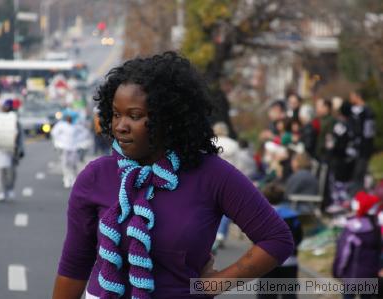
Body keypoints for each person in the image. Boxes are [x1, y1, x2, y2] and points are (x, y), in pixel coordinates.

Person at [52, 52, 294, 299]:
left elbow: (276, 238)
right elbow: (75, 266)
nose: (120, 126)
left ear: (169, 119)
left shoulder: (212, 175)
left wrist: (212, 285)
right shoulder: (95, 176)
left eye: (135, 116)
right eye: (116, 114)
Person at [332, 191, 381, 299]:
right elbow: (378, 251)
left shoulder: (350, 227)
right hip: (370, 275)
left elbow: (343, 252)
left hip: (351, 274)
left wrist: (337, 270)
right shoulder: (375, 228)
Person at [259, 183, 303, 299]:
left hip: (265, 260)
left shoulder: (262, 215)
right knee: (289, 294)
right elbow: (299, 237)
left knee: (266, 294)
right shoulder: (293, 217)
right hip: (290, 260)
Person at [211, 122, 239, 252]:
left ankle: (213, 233)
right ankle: (221, 234)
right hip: (230, 178)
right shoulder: (234, 144)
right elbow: (239, 162)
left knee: (212, 206)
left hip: (213, 177)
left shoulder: (211, 142)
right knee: (227, 208)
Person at [0, 99, 24, 201]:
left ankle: (10, 189)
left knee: (11, 172)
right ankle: (1, 191)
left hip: (12, 149)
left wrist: (20, 149)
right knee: (0, 171)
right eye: (4, 106)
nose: (5, 108)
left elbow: (20, 136)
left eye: (7, 106)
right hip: (0, 149)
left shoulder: (15, 120)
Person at [349, 89, 376, 193]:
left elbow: (368, 133)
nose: (351, 98)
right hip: (357, 148)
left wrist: (364, 145)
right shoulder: (357, 110)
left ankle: (358, 195)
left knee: (360, 173)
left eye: (352, 96)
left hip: (363, 149)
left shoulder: (366, 112)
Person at [51, 109, 80, 188]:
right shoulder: (61, 125)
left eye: (70, 117)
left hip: (73, 147)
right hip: (64, 147)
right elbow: (54, 133)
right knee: (65, 163)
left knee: (73, 164)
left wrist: (82, 143)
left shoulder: (76, 125)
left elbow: (82, 134)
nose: (69, 118)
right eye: (68, 117)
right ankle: (66, 178)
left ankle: (74, 178)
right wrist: (57, 143)